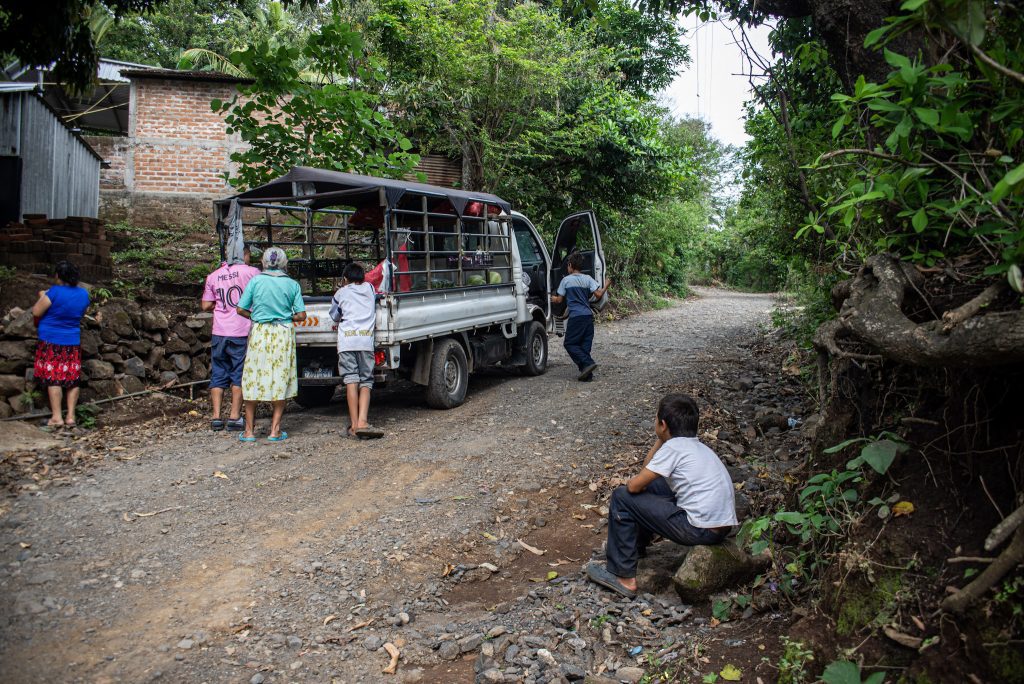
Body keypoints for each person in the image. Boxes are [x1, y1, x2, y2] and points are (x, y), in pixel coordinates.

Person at [586, 394, 738, 598]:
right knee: (655, 484)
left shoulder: (674, 448)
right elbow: (648, 475)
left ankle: (624, 577)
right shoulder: (698, 447)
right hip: (720, 527)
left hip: (699, 530)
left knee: (622, 496)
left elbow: (634, 485)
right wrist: (661, 439)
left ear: (663, 424)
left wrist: (660, 441)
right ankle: (634, 550)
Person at [235, 247, 306, 442]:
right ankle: (275, 431)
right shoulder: (292, 285)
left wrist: (256, 317)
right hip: (282, 334)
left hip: (260, 332)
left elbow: (240, 309)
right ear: (284, 263)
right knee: (280, 378)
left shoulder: (256, 281)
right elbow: (301, 315)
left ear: (263, 262)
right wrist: (285, 316)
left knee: (252, 377)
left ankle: (249, 431)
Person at [201, 247, 259, 432]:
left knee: (218, 372)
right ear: (245, 255)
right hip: (240, 331)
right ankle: (234, 417)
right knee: (238, 373)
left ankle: (216, 417)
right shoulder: (252, 272)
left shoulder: (214, 275)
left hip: (219, 331)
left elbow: (205, 305)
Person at [30, 260, 90, 429]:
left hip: (51, 340)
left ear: (58, 276)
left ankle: (57, 417)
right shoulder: (84, 294)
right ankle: (71, 416)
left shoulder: (54, 292)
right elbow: (82, 312)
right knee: (72, 378)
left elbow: (37, 311)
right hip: (72, 341)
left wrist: (43, 296)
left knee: (54, 378)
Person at [329, 262, 385, 440]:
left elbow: (334, 315)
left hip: (346, 343)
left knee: (351, 381)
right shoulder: (369, 288)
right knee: (366, 381)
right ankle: (363, 421)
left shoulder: (341, 293)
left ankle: (353, 425)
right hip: (365, 342)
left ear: (345, 279)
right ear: (363, 277)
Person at [550, 252, 610, 381]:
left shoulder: (566, 280)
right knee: (584, 346)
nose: (567, 268)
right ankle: (587, 375)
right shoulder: (587, 278)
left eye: (567, 265)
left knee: (569, 344)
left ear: (570, 265)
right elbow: (599, 295)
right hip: (588, 316)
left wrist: (550, 297)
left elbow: (559, 300)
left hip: (576, 317)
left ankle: (588, 363)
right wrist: (606, 285)